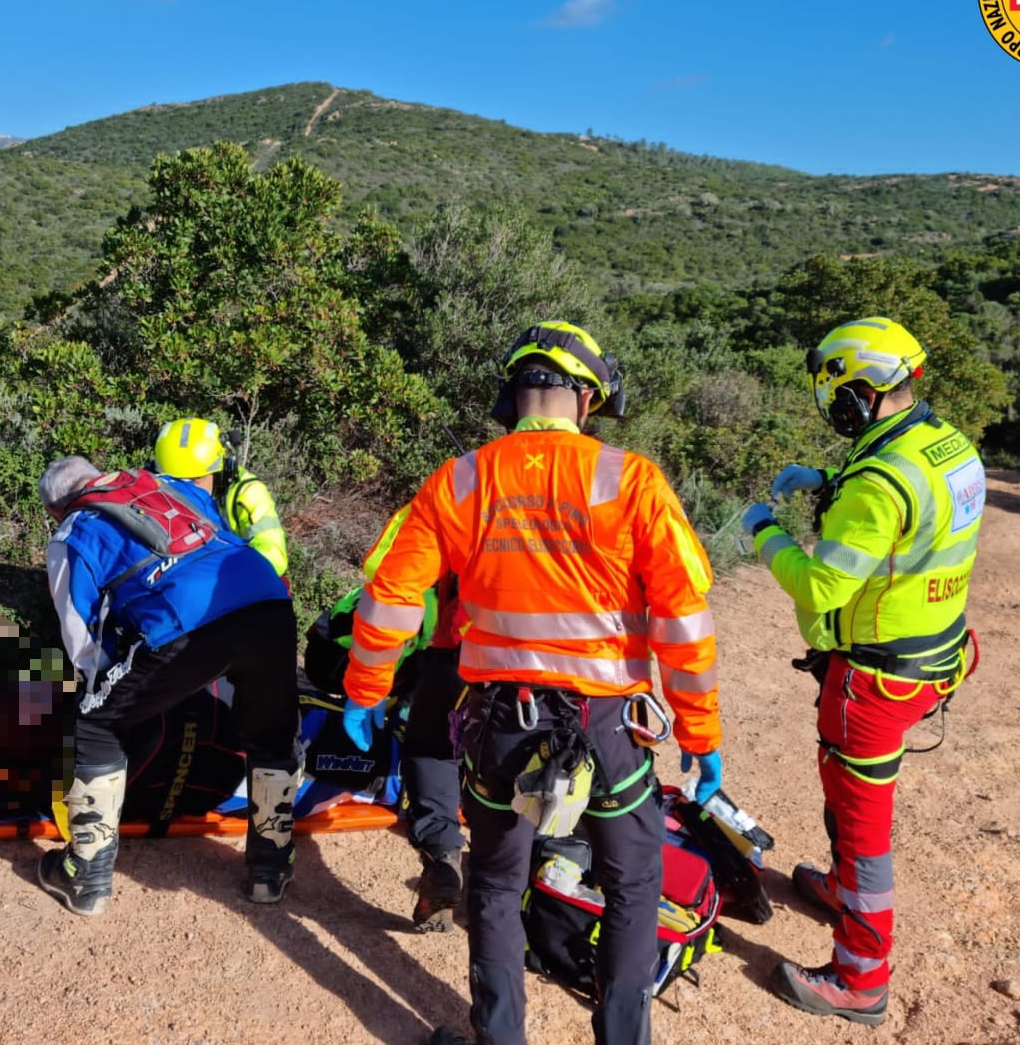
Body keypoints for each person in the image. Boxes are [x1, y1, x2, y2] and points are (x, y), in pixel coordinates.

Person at [344, 321, 723, 1045]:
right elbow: (684, 622)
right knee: (635, 885)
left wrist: (366, 691)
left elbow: (390, 595)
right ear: (586, 398)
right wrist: (701, 736)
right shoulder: (633, 479)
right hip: (608, 727)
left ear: (513, 394)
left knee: (493, 885)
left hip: (501, 727)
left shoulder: (460, 479)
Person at [742, 317, 984, 1026]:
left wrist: (766, 529)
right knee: (850, 805)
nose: (834, 411)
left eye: (838, 397)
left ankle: (861, 977)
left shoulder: (881, 480)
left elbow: (821, 587)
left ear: (860, 392)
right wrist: (824, 481)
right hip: (937, 653)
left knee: (863, 820)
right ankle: (843, 887)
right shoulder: (945, 444)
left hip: (877, 679)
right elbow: (909, 507)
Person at [35, 456, 302, 914]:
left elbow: (81, 639)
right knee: (272, 733)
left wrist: (109, 685)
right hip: (268, 599)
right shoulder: (167, 485)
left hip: (188, 620)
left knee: (96, 724)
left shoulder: (73, 530)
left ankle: (87, 874)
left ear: (54, 509)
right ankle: (269, 869)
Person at [317, 572, 469, 931]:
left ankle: (443, 850)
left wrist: (370, 686)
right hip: (552, 665)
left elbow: (394, 594)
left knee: (433, 751)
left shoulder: (456, 524)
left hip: (454, 645)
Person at [154, 418, 289, 578]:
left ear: (221, 470)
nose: (187, 489)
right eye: (175, 481)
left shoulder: (247, 494)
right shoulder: (151, 488)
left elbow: (274, 557)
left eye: (196, 480)